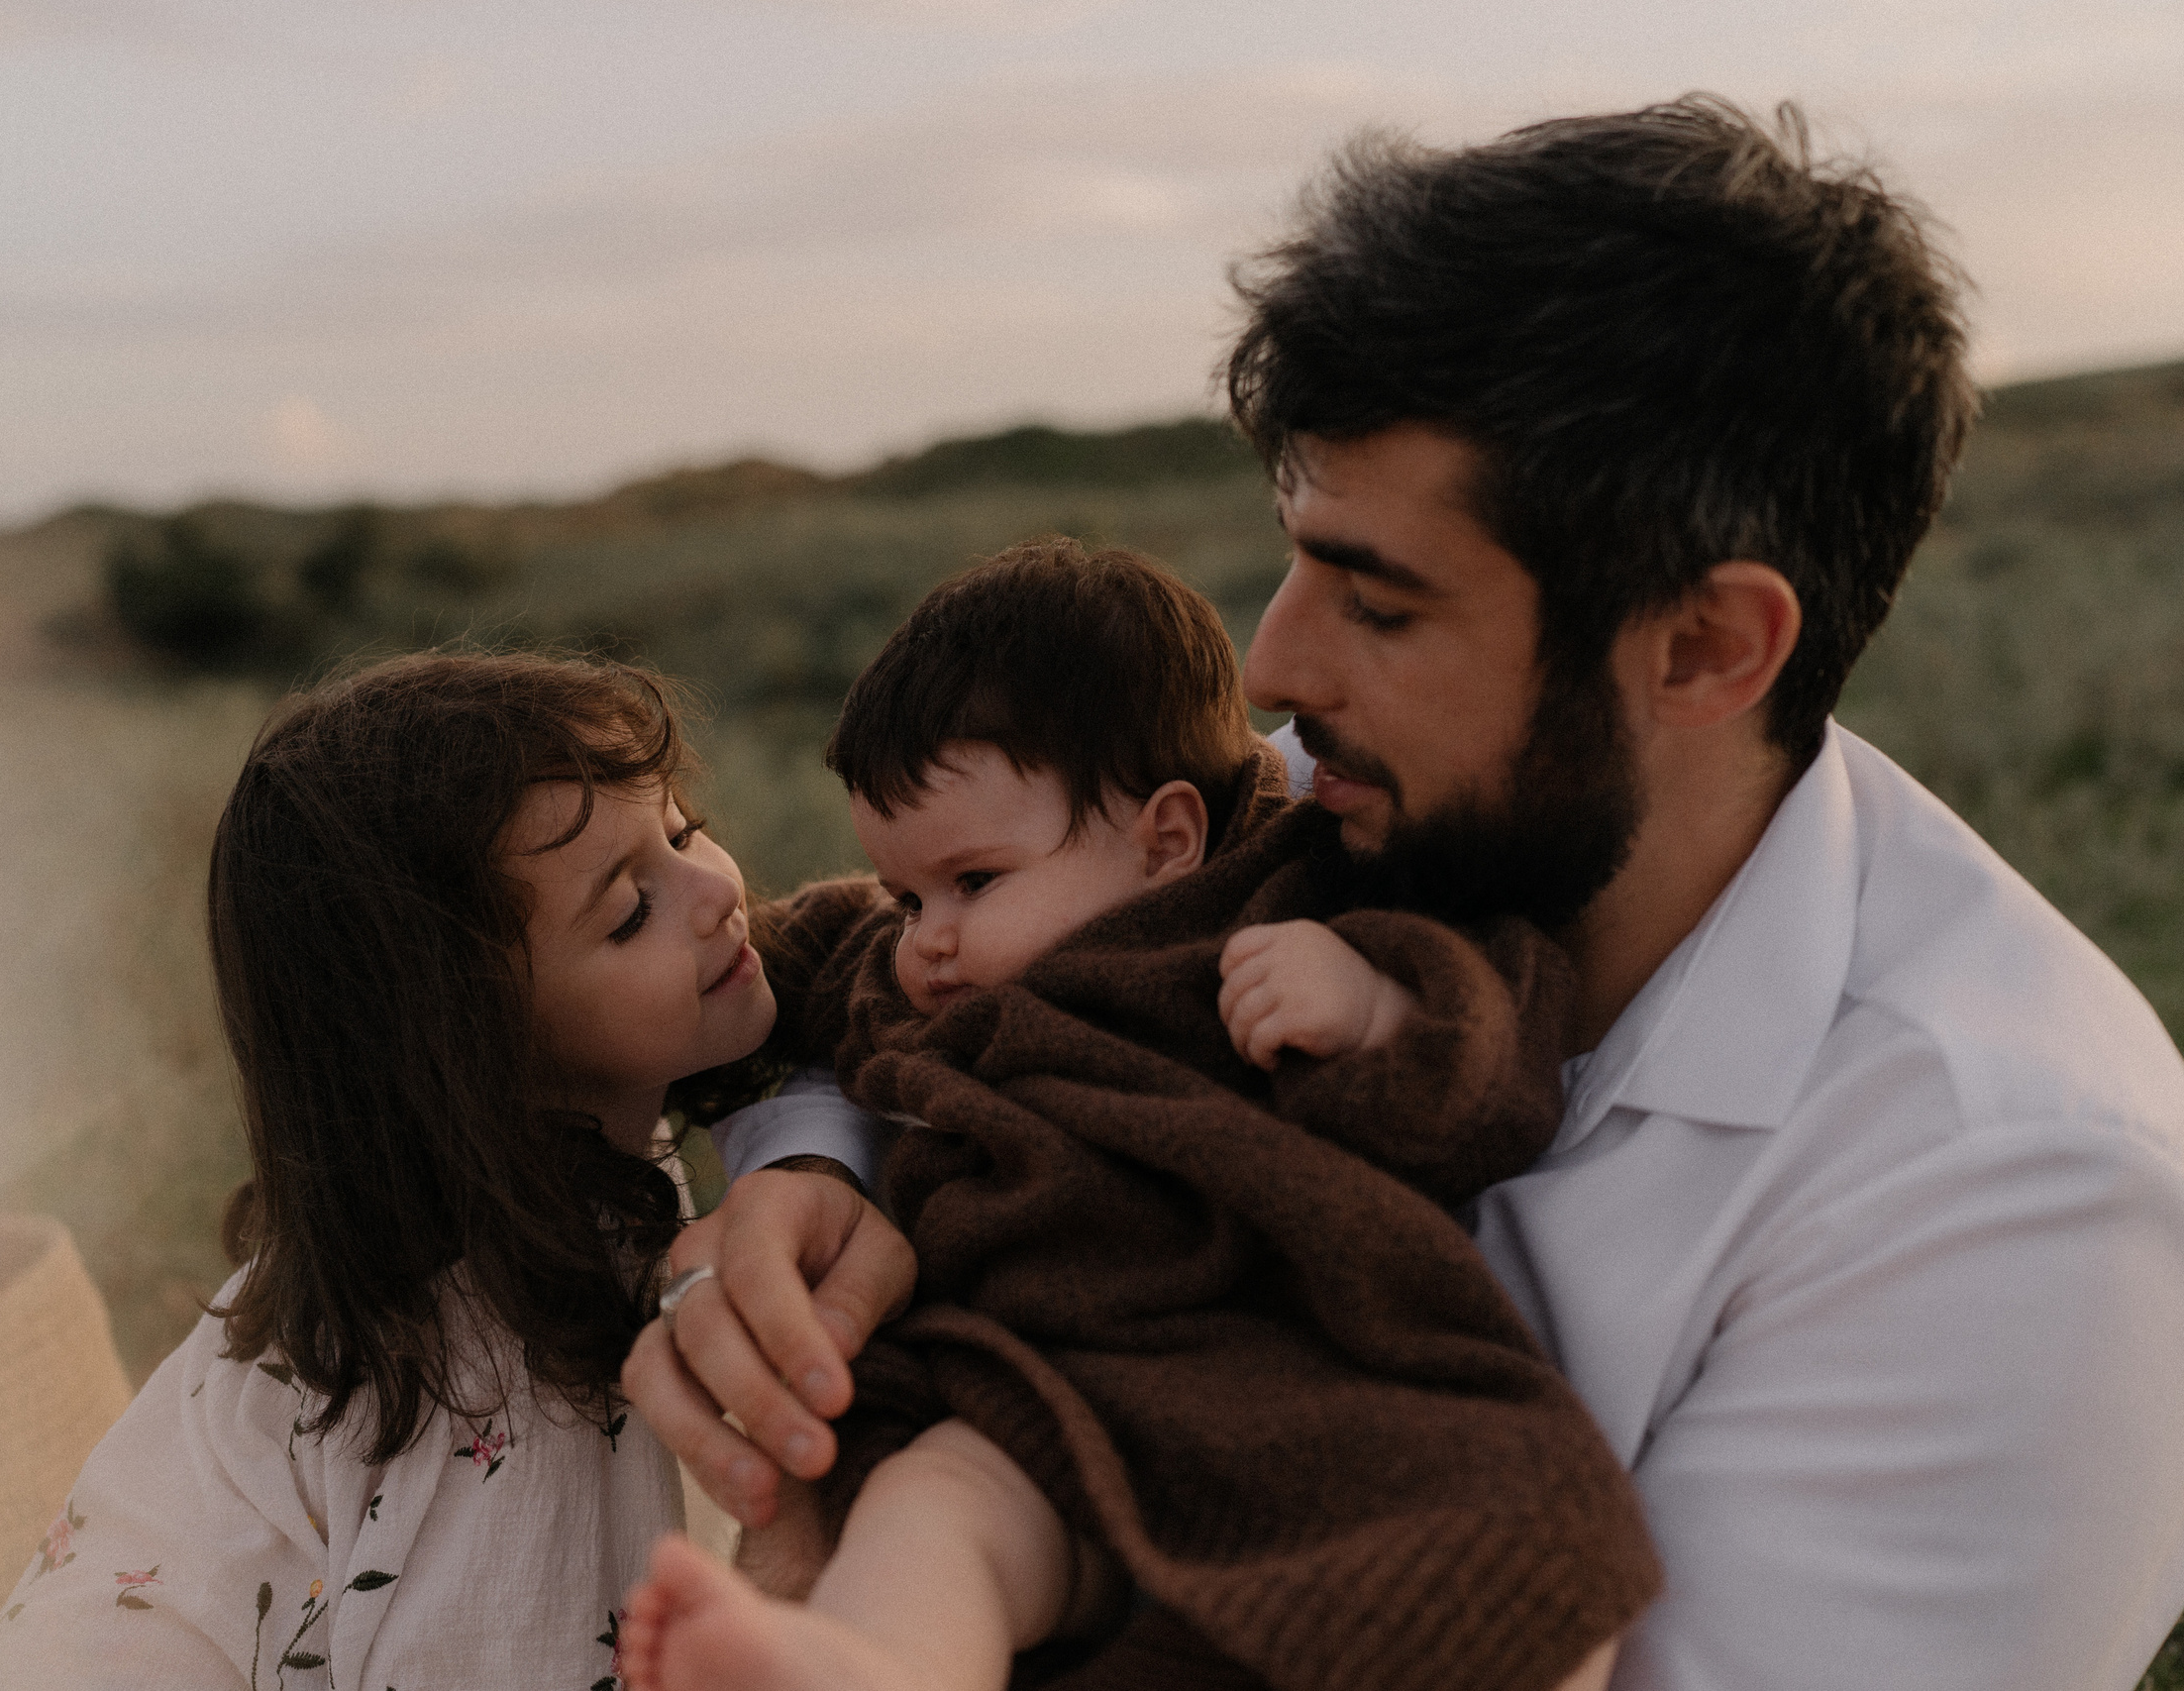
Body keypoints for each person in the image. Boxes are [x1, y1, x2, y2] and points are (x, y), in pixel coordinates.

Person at [621, 97, 2184, 1689]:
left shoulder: (2015, 1203)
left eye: (1378, 598)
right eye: (1296, 557)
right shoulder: (1332, 819)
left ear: (1709, 647)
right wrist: (823, 1160)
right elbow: (921, 952)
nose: (1275, 664)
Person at [618, 541, 1657, 1691]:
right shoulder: (919, 966)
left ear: (1166, 839)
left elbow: (1486, 1073)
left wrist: (1371, 1009)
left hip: (1281, 1368)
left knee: (1516, 1515)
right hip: (1031, 1394)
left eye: (972, 883)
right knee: (935, 1507)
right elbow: (785, 962)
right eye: (908, 893)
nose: (925, 938)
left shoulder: (1297, 903)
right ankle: (872, 1668)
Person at [0, 651, 778, 1690]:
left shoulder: (473, 1209)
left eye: (683, 830)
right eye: (627, 913)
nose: (713, 893)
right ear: (468, 1046)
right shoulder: (496, 1372)